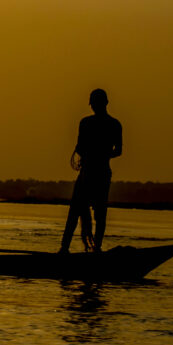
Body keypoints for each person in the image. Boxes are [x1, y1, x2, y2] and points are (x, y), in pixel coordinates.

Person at [60, 89, 123, 253]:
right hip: (93, 173)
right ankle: (67, 249)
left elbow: (81, 148)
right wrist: (101, 154)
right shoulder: (106, 124)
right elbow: (117, 151)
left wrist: (96, 154)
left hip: (94, 174)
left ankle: (90, 248)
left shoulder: (94, 123)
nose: (95, 107)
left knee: (91, 213)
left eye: (96, 104)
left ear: (104, 103)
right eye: (94, 104)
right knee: (80, 212)